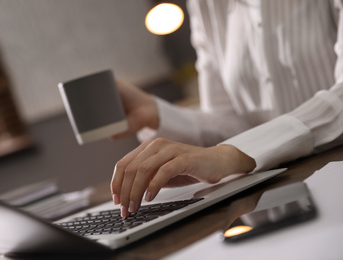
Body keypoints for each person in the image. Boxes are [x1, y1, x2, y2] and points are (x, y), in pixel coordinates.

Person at [111, 0, 343, 218]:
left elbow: (229, 152)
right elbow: (230, 123)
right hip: (276, 191)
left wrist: (232, 154)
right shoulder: (206, 5)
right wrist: (154, 111)